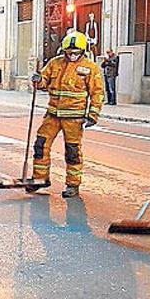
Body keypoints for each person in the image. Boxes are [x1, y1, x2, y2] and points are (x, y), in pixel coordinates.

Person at [27, 31, 104, 198]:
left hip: (74, 118)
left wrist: (93, 114)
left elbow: (97, 93)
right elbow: (43, 82)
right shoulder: (55, 64)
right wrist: (37, 80)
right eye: (69, 52)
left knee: (72, 151)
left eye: (76, 53)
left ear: (83, 51)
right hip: (53, 114)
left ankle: (72, 185)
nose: (72, 55)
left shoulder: (91, 68)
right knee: (41, 145)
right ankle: (40, 179)